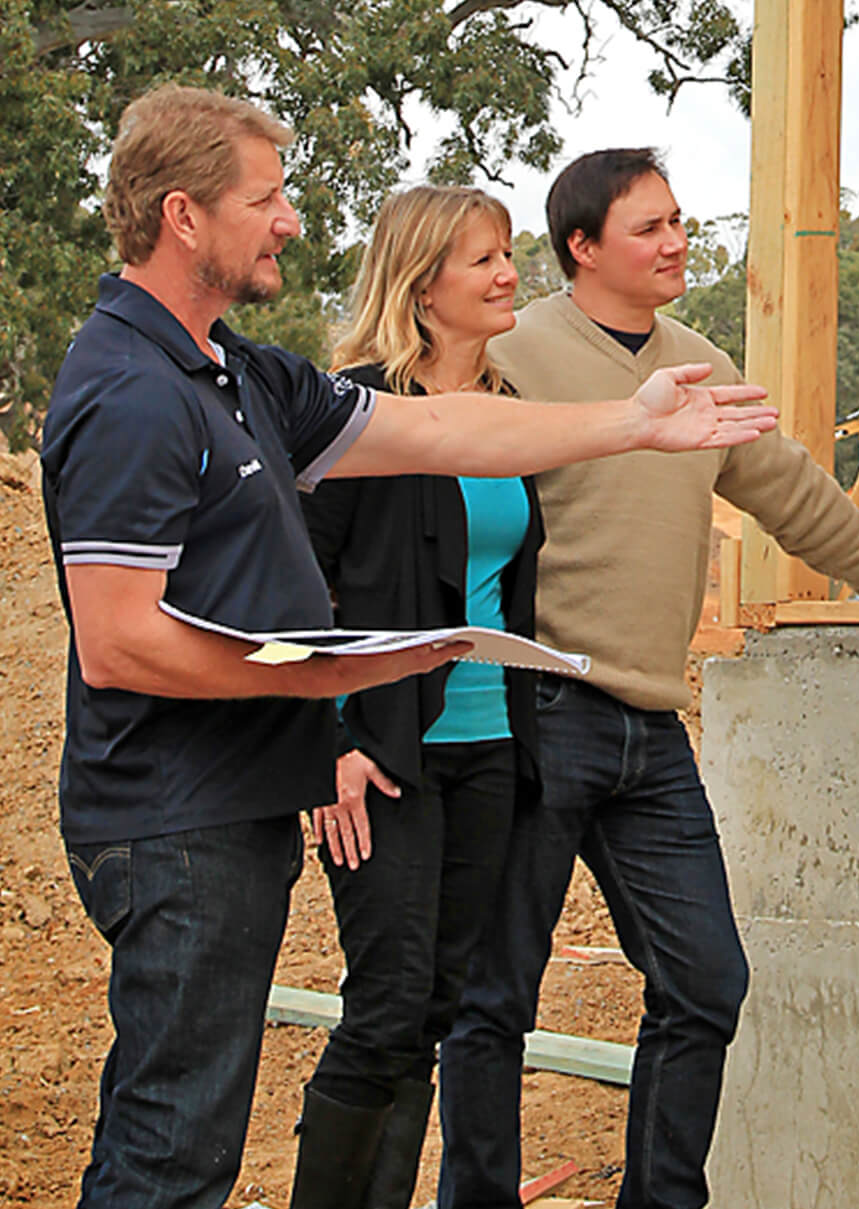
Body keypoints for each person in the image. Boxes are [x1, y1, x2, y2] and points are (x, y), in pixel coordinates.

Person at [39, 87, 777, 1209]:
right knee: (169, 1152)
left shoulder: (237, 374)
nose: (289, 219)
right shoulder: (134, 391)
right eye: (267, 197)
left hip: (229, 810)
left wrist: (634, 422)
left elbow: (436, 428)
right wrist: (336, 680)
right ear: (184, 217)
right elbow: (120, 644)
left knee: (201, 1139)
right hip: (169, 821)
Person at [435, 148, 859, 1209]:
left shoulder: (695, 361)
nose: (676, 241)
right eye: (647, 228)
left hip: (650, 724)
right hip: (540, 705)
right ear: (583, 248)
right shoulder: (521, 348)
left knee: (705, 982)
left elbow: (788, 489)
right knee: (495, 993)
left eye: (679, 221)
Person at [287, 184, 547, 1208]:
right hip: (383, 750)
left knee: (432, 1011)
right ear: (423, 284)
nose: (506, 274)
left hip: (490, 751)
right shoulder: (355, 412)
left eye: (507, 253)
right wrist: (328, 740)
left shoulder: (513, 416)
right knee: (387, 1007)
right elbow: (297, 591)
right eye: (483, 258)